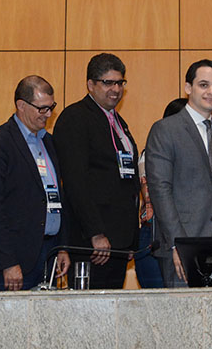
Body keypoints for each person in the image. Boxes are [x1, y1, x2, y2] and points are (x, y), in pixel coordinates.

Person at [144, 59, 212, 287]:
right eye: (204, 85)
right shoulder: (165, 129)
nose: (211, 92)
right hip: (182, 243)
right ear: (188, 88)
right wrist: (178, 244)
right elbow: (160, 190)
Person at [53, 53, 140, 289]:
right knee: (89, 315)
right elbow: (75, 182)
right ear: (90, 85)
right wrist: (96, 233)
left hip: (118, 243)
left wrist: (130, 238)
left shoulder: (118, 122)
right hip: (92, 243)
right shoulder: (75, 118)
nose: (115, 89)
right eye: (107, 82)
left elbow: (127, 181)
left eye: (120, 82)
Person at [0, 75, 70, 291]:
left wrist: (62, 247)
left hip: (49, 254)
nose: (48, 114)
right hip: (13, 259)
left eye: (51, 107)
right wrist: (8, 261)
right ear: (21, 105)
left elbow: (58, 196)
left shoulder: (49, 142)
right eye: (41, 108)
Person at [134, 97, 189, 290]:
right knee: (157, 304)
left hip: (183, 233)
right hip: (154, 235)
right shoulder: (151, 153)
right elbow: (156, 196)